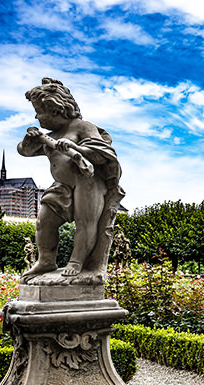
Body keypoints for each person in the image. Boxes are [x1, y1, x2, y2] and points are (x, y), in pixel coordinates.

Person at [19, 77, 122, 280]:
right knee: (43, 222)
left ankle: (77, 262)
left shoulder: (82, 127)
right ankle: (46, 260)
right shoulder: (50, 136)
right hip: (62, 186)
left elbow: (103, 154)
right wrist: (28, 140)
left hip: (87, 181)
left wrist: (76, 148)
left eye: (39, 111)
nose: (36, 117)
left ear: (56, 109)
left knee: (85, 223)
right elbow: (25, 151)